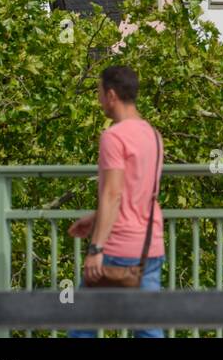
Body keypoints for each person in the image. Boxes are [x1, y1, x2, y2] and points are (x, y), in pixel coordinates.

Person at [68, 65, 165, 338]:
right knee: (148, 329)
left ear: (111, 95)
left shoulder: (114, 137)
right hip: (150, 245)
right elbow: (136, 191)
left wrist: (96, 248)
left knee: (82, 327)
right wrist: (95, 217)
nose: (99, 100)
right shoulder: (154, 136)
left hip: (118, 248)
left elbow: (113, 193)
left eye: (99, 93)